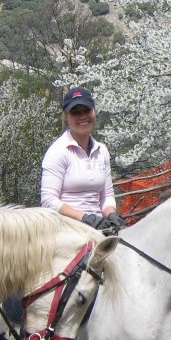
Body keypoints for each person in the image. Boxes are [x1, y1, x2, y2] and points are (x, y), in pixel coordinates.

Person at [40, 86, 125, 234]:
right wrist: (85, 218)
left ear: (94, 112)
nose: (83, 116)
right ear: (66, 117)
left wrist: (111, 214)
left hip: (99, 228)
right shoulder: (58, 151)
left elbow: (107, 196)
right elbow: (48, 201)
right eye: (76, 112)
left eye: (87, 110)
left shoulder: (102, 151)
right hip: (67, 229)